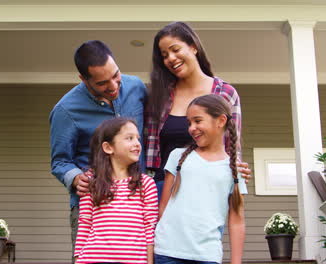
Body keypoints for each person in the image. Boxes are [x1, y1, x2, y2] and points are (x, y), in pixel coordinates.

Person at [49, 40, 147, 255]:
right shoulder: (66, 110)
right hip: (94, 206)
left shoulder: (136, 87)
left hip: (137, 201)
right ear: (83, 79)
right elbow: (60, 161)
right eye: (103, 83)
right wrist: (75, 177)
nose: (113, 86)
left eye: (116, 75)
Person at [145, 21, 250, 198]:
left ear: (193, 47)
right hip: (163, 190)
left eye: (175, 49)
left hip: (207, 191)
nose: (170, 58)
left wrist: (237, 172)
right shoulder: (159, 97)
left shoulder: (225, 94)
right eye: (165, 55)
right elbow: (150, 151)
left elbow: (232, 147)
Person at [154, 94, 246, 264]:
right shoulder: (177, 156)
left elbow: (237, 220)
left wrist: (235, 262)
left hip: (207, 255)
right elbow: (164, 207)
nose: (191, 128)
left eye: (197, 121)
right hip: (167, 252)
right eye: (189, 123)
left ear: (221, 121)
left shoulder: (234, 169)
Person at [74, 118, 158, 264]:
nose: (137, 144)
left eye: (137, 139)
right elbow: (85, 224)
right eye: (129, 138)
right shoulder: (92, 181)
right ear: (108, 147)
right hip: (94, 259)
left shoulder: (146, 184)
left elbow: (150, 228)